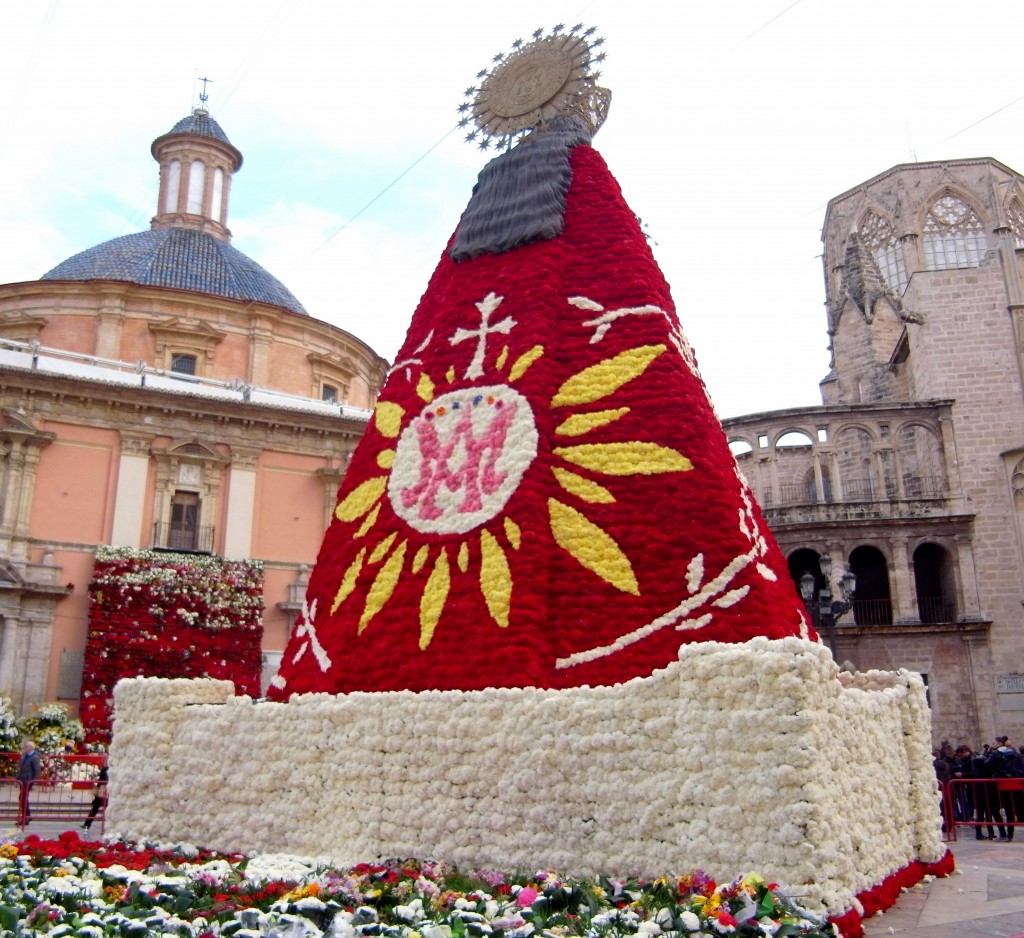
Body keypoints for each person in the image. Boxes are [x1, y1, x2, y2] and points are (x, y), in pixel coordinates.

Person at [985, 735, 1024, 841]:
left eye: (993, 744)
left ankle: (1002, 833)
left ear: (999, 743)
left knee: (995, 808)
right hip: (1013, 784)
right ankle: (1010, 834)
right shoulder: (1016, 754)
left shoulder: (996, 754)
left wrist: (988, 753)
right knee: (1009, 809)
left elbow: (986, 764)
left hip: (999, 783)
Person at [16, 740, 41, 823]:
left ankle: (26, 816)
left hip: (28, 780)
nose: (25, 747)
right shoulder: (25, 756)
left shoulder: (35, 757)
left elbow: (37, 770)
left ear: (31, 747)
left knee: (23, 798)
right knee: (22, 798)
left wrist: (35, 783)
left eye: (26, 746)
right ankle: (27, 815)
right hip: (22, 780)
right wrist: (17, 779)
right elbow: (20, 768)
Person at [81, 765, 107, 832]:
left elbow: (102, 780)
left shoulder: (105, 770)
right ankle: (87, 824)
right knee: (98, 807)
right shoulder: (107, 769)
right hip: (104, 790)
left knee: (96, 807)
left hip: (103, 790)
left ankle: (87, 824)